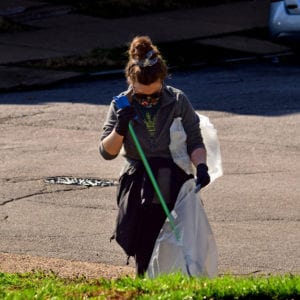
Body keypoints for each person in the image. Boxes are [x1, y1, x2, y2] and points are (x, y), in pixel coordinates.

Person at [99, 35, 210, 276]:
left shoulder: (178, 100)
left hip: (174, 175)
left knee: (177, 234)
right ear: (131, 82)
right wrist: (120, 128)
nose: (148, 101)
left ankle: (178, 279)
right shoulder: (120, 104)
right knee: (141, 235)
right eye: (142, 96)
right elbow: (107, 152)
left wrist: (201, 166)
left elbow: (194, 139)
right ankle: (145, 278)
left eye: (154, 95)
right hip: (138, 178)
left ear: (162, 80)